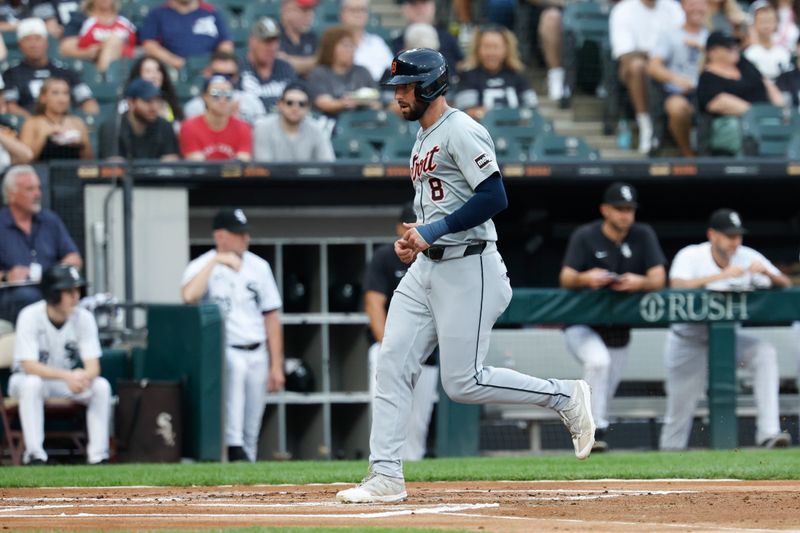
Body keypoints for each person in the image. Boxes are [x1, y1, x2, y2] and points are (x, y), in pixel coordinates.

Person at [335, 48, 595, 504]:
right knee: (391, 362)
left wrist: (432, 231)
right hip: (429, 265)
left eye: (406, 87)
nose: (398, 96)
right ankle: (386, 475)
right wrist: (417, 237)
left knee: (463, 383)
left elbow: (494, 196)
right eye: (397, 88)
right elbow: (439, 203)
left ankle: (565, 396)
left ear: (431, 85)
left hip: (470, 265)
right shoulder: (422, 137)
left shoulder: (461, 128)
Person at [660, 209, 792, 450]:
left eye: (738, 235)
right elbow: (677, 284)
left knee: (764, 353)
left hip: (728, 338)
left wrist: (766, 273)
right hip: (688, 339)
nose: (735, 241)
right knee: (678, 412)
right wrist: (720, 275)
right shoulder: (692, 255)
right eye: (729, 235)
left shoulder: (747, 255)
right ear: (712, 235)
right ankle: (669, 455)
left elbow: (785, 282)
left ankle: (769, 434)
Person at [559, 182, 666, 452]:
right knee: (598, 362)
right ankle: (589, 431)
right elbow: (566, 277)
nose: (625, 215)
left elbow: (659, 278)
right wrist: (587, 277)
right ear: (605, 210)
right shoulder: (586, 235)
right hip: (581, 323)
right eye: (619, 209)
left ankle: (595, 434)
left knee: (605, 387)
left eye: (629, 209)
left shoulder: (643, 234)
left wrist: (639, 282)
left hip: (619, 328)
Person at [181, 208, 284, 462]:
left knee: (252, 423)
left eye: (246, 233)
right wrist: (215, 261)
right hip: (226, 350)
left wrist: (276, 365)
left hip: (257, 350)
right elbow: (188, 296)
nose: (245, 238)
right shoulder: (201, 265)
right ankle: (234, 450)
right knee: (234, 418)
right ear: (220, 236)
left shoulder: (259, 267)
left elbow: (271, 316)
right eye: (239, 233)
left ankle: (245, 466)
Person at [8, 263, 111, 465]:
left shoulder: (84, 318)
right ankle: (35, 455)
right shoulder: (30, 315)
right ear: (53, 294)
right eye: (69, 291)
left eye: (77, 290)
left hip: (64, 382)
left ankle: (98, 457)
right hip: (25, 381)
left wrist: (83, 377)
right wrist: (68, 376)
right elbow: (30, 366)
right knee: (32, 384)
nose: (76, 296)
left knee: (100, 386)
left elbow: (94, 367)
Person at [364, 202, 437, 461]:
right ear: (399, 227)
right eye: (408, 224)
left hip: (426, 355)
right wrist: (389, 347)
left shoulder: (437, 257)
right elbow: (374, 303)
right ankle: (383, 466)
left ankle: (412, 476)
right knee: (386, 413)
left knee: (417, 424)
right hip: (390, 347)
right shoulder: (385, 256)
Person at [0, 166, 82, 324]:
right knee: (28, 298)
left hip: (51, 287)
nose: (38, 194)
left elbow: (75, 258)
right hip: (12, 294)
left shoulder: (50, 220)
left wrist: (56, 272)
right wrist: (6, 276)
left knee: (75, 296)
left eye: (39, 188)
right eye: (30, 189)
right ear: (11, 195)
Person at [610, 0, 685, 154]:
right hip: (636, 67)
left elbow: (682, 39)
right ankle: (646, 126)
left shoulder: (673, 7)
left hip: (672, 65)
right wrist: (657, 56)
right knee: (638, 66)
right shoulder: (623, 9)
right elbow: (625, 53)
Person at [647, 0, 709, 157]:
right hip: (677, 92)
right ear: (682, 6)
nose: (696, 8)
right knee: (677, 108)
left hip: (706, 92)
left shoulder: (710, 36)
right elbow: (653, 67)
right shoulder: (670, 34)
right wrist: (675, 78)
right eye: (691, 4)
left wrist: (705, 50)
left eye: (700, 3)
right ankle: (688, 153)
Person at [3, 17, 99, 117]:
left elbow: (88, 102)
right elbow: (11, 106)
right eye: (28, 40)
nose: (33, 44)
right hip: (30, 126)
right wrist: (35, 123)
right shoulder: (12, 73)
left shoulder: (63, 71)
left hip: (65, 124)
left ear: (46, 42)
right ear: (20, 45)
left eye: (38, 38)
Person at [454, 25, 538, 122]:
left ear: (507, 49)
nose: (491, 52)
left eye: (496, 47)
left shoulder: (518, 75)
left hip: (517, 132)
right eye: (486, 47)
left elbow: (533, 110)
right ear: (477, 49)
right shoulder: (468, 76)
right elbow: (466, 112)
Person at [697, 31, 784, 117]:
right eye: (728, 48)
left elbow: (766, 83)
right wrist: (757, 115)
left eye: (735, 45)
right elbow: (718, 102)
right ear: (713, 52)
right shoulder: (707, 78)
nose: (735, 49)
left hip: (766, 113)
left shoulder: (744, 64)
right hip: (738, 121)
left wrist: (780, 110)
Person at [306, 26, 380, 117]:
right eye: (345, 46)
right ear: (331, 48)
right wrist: (344, 103)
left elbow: (376, 100)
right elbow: (323, 103)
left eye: (352, 46)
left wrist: (371, 103)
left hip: (363, 121)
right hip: (332, 122)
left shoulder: (362, 72)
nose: (350, 50)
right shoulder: (319, 73)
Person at [98, 78, 180, 160]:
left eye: (157, 100)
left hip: (157, 172)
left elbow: (170, 163)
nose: (154, 107)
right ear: (131, 103)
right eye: (147, 100)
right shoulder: (113, 127)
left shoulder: (165, 126)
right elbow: (114, 168)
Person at [139, 0, 233, 71]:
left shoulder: (211, 11)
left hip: (209, 68)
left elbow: (226, 44)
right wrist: (177, 63)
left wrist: (215, 64)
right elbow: (149, 45)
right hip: (171, 69)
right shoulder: (158, 13)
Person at [253, 82, 334, 162]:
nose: (295, 108)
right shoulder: (263, 128)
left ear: (308, 108)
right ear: (280, 105)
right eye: (289, 103)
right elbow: (264, 168)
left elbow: (328, 165)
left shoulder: (317, 130)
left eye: (301, 104)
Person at [179, 75, 253, 161]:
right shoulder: (189, 127)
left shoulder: (243, 128)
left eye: (228, 95)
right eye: (216, 94)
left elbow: (242, 162)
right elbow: (197, 165)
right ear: (205, 97)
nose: (222, 100)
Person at [184, 50, 267, 126]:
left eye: (229, 76)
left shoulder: (251, 101)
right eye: (218, 74)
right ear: (207, 74)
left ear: (236, 77)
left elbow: (261, 135)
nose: (223, 80)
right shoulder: (195, 107)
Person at [19, 77, 93, 161]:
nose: (62, 99)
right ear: (43, 98)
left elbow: (89, 160)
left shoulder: (78, 123)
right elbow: (24, 159)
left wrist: (82, 144)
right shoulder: (32, 123)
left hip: (71, 169)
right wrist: (44, 136)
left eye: (65, 93)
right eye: (55, 93)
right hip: (41, 170)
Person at [58, 0, 137, 73]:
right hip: (92, 67)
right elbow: (65, 48)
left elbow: (140, 43)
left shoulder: (124, 18)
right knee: (113, 41)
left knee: (114, 40)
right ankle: (105, 75)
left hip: (129, 62)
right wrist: (86, 53)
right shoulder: (81, 18)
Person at [240, 17, 298, 114]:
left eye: (275, 41)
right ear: (252, 42)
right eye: (266, 42)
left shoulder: (285, 68)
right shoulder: (239, 69)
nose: (272, 47)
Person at [390, 0, 462, 75]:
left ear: (433, 6)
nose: (420, 9)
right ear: (404, 9)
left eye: (424, 3)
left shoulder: (448, 39)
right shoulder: (397, 43)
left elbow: (460, 66)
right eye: (413, 4)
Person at [340, 0, 394, 82]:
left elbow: (391, 70)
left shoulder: (377, 42)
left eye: (362, 10)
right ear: (342, 13)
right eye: (353, 10)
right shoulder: (335, 43)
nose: (358, 14)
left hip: (381, 89)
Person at [124, 56, 183, 123]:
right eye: (148, 71)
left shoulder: (170, 101)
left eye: (158, 70)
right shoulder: (125, 104)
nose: (155, 75)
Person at [744, 1, 792, 80]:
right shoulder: (749, 54)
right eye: (762, 22)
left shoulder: (784, 52)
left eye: (770, 21)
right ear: (754, 24)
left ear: (776, 23)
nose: (766, 26)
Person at [277, 0, 320, 77]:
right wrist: (314, 62)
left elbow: (325, 66)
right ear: (285, 10)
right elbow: (278, 65)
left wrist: (291, 61)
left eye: (312, 10)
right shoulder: (273, 35)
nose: (310, 15)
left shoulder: (312, 37)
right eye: (304, 10)